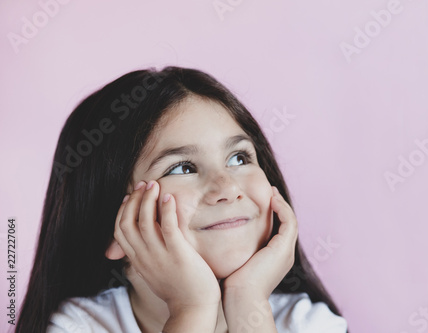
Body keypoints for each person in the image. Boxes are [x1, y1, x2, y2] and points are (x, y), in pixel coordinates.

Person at [16, 66, 348, 333]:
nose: (227, 187)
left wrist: (249, 305)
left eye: (239, 158)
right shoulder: (78, 326)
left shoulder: (310, 325)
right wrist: (192, 309)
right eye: (182, 167)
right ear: (115, 226)